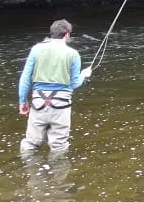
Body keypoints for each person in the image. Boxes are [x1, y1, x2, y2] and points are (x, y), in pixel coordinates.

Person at [18, 19, 91, 153]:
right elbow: (75, 83)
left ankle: (28, 171)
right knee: (59, 147)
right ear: (67, 35)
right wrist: (84, 75)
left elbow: (24, 79)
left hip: (38, 103)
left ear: (51, 33)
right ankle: (58, 173)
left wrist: (23, 102)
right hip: (61, 107)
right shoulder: (73, 54)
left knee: (31, 144)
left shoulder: (36, 49)